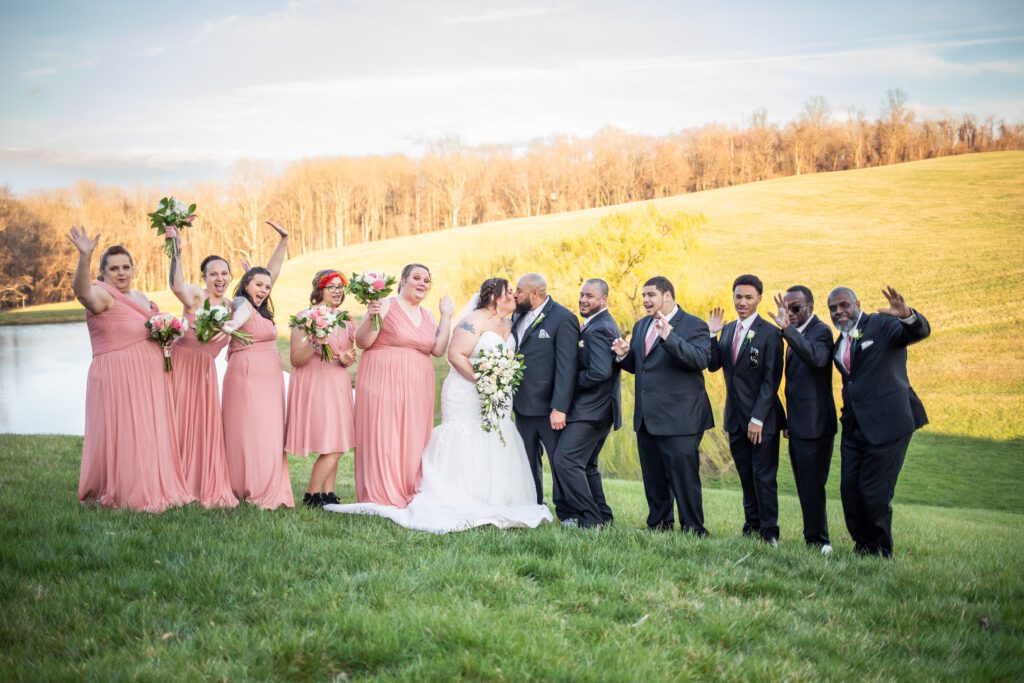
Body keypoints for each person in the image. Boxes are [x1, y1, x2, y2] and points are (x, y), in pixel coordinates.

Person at [325, 278, 552, 533]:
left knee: (494, 438)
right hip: (467, 391)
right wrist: (483, 381)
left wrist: (500, 382)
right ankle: (459, 494)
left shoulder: (509, 323)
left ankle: (494, 497)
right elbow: (455, 355)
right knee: (465, 436)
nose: (513, 296)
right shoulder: (473, 320)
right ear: (495, 297)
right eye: (509, 292)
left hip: (498, 395)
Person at [67, 226, 192, 512]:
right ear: (103, 272)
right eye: (114, 268)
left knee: (148, 430)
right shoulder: (102, 293)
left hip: (151, 377)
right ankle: (123, 490)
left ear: (133, 268)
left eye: (126, 267)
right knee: (125, 431)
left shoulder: (142, 298)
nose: (121, 273)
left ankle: (153, 482)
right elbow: (82, 293)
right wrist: (84, 256)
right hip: (117, 376)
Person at [827, 285, 930, 557]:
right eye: (833, 308)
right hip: (854, 428)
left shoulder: (882, 324)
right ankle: (862, 546)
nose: (839, 312)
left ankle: (880, 552)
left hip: (889, 423)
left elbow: (917, 332)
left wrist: (907, 315)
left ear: (857, 303)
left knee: (874, 492)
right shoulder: (840, 344)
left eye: (843, 305)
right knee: (849, 490)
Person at [613, 276, 714, 535]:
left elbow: (700, 359)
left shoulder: (694, 325)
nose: (645, 300)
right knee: (654, 476)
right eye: (644, 295)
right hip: (647, 417)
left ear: (667, 295)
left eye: (651, 295)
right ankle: (659, 524)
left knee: (684, 479)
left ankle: (693, 528)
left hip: (681, 418)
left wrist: (670, 338)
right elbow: (640, 366)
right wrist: (624, 355)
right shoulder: (641, 326)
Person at [352, 263, 453, 507]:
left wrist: (447, 315)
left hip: (418, 385)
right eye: (416, 278)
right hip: (382, 379)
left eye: (427, 281)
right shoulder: (385, 304)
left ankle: (409, 486)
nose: (422, 283)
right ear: (403, 280)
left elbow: (438, 350)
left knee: (414, 436)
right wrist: (373, 316)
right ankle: (381, 491)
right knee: (385, 432)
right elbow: (363, 341)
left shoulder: (428, 315)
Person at [708, 274, 786, 544]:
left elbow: (770, 380)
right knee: (745, 474)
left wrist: (757, 418)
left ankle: (769, 532)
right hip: (735, 418)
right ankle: (751, 526)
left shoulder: (771, 333)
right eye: (738, 296)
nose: (742, 302)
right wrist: (712, 334)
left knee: (763, 476)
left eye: (748, 297)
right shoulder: (728, 330)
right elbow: (713, 364)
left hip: (762, 420)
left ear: (759, 299)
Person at [767, 286, 836, 553]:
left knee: (813, 485)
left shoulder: (821, 331)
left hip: (817, 425)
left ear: (810, 307)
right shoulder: (795, 333)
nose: (791, 313)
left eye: (795, 308)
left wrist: (787, 331)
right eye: (786, 308)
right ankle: (812, 538)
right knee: (803, 484)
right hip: (799, 425)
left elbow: (816, 359)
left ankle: (821, 541)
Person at [221, 256, 293, 510]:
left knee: (269, 432)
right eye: (258, 285)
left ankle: (269, 483)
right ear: (245, 285)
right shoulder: (241, 302)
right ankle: (247, 485)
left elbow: (272, 271)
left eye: (267, 286)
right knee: (249, 430)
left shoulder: (262, 309)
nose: (263, 290)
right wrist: (233, 323)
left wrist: (283, 241)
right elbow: (240, 312)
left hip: (270, 380)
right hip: (247, 376)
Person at [285, 270, 357, 507]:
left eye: (340, 287)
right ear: (319, 290)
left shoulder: (346, 320)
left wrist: (347, 358)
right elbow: (296, 358)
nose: (338, 291)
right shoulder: (305, 317)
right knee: (335, 442)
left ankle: (328, 494)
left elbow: (344, 353)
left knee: (336, 439)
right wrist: (316, 341)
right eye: (331, 287)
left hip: (338, 380)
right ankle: (311, 494)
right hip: (316, 381)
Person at [551, 279, 619, 528]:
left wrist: (567, 382)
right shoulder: (596, 323)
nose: (583, 300)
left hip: (592, 410)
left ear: (603, 300)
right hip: (599, 409)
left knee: (565, 460)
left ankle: (590, 519)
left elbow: (600, 372)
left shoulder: (600, 327)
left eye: (590, 296)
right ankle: (603, 516)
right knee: (587, 464)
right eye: (582, 295)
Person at [511, 273, 579, 510]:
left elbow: (567, 367)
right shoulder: (517, 315)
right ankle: (533, 505)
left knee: (558, 461)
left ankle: (567, 511)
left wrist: (559, 407)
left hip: (549, 408)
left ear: (534, 293)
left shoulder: (563, 318)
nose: (514, 294)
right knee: (527, 461)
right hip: (521, 405)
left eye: (519, 291)